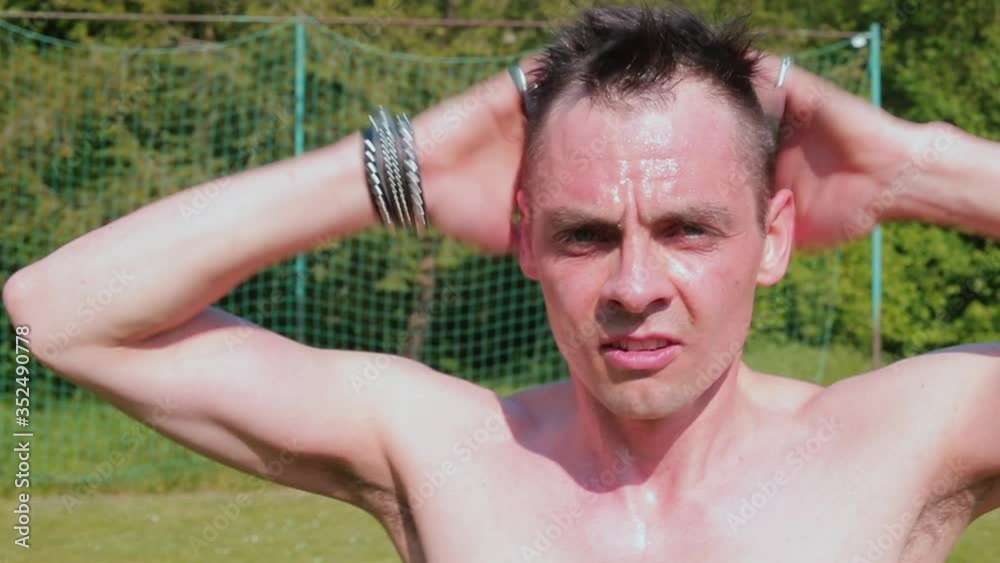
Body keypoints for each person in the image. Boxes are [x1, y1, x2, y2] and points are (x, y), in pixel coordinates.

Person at [5, 5, 998, 562]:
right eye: (585, 234)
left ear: (773, 239)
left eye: (688, 229)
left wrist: (917, 168)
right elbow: (61, 312)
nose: (634, 284)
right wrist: (404, 167)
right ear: (524, 239)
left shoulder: (898, 440)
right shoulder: (445, 450)